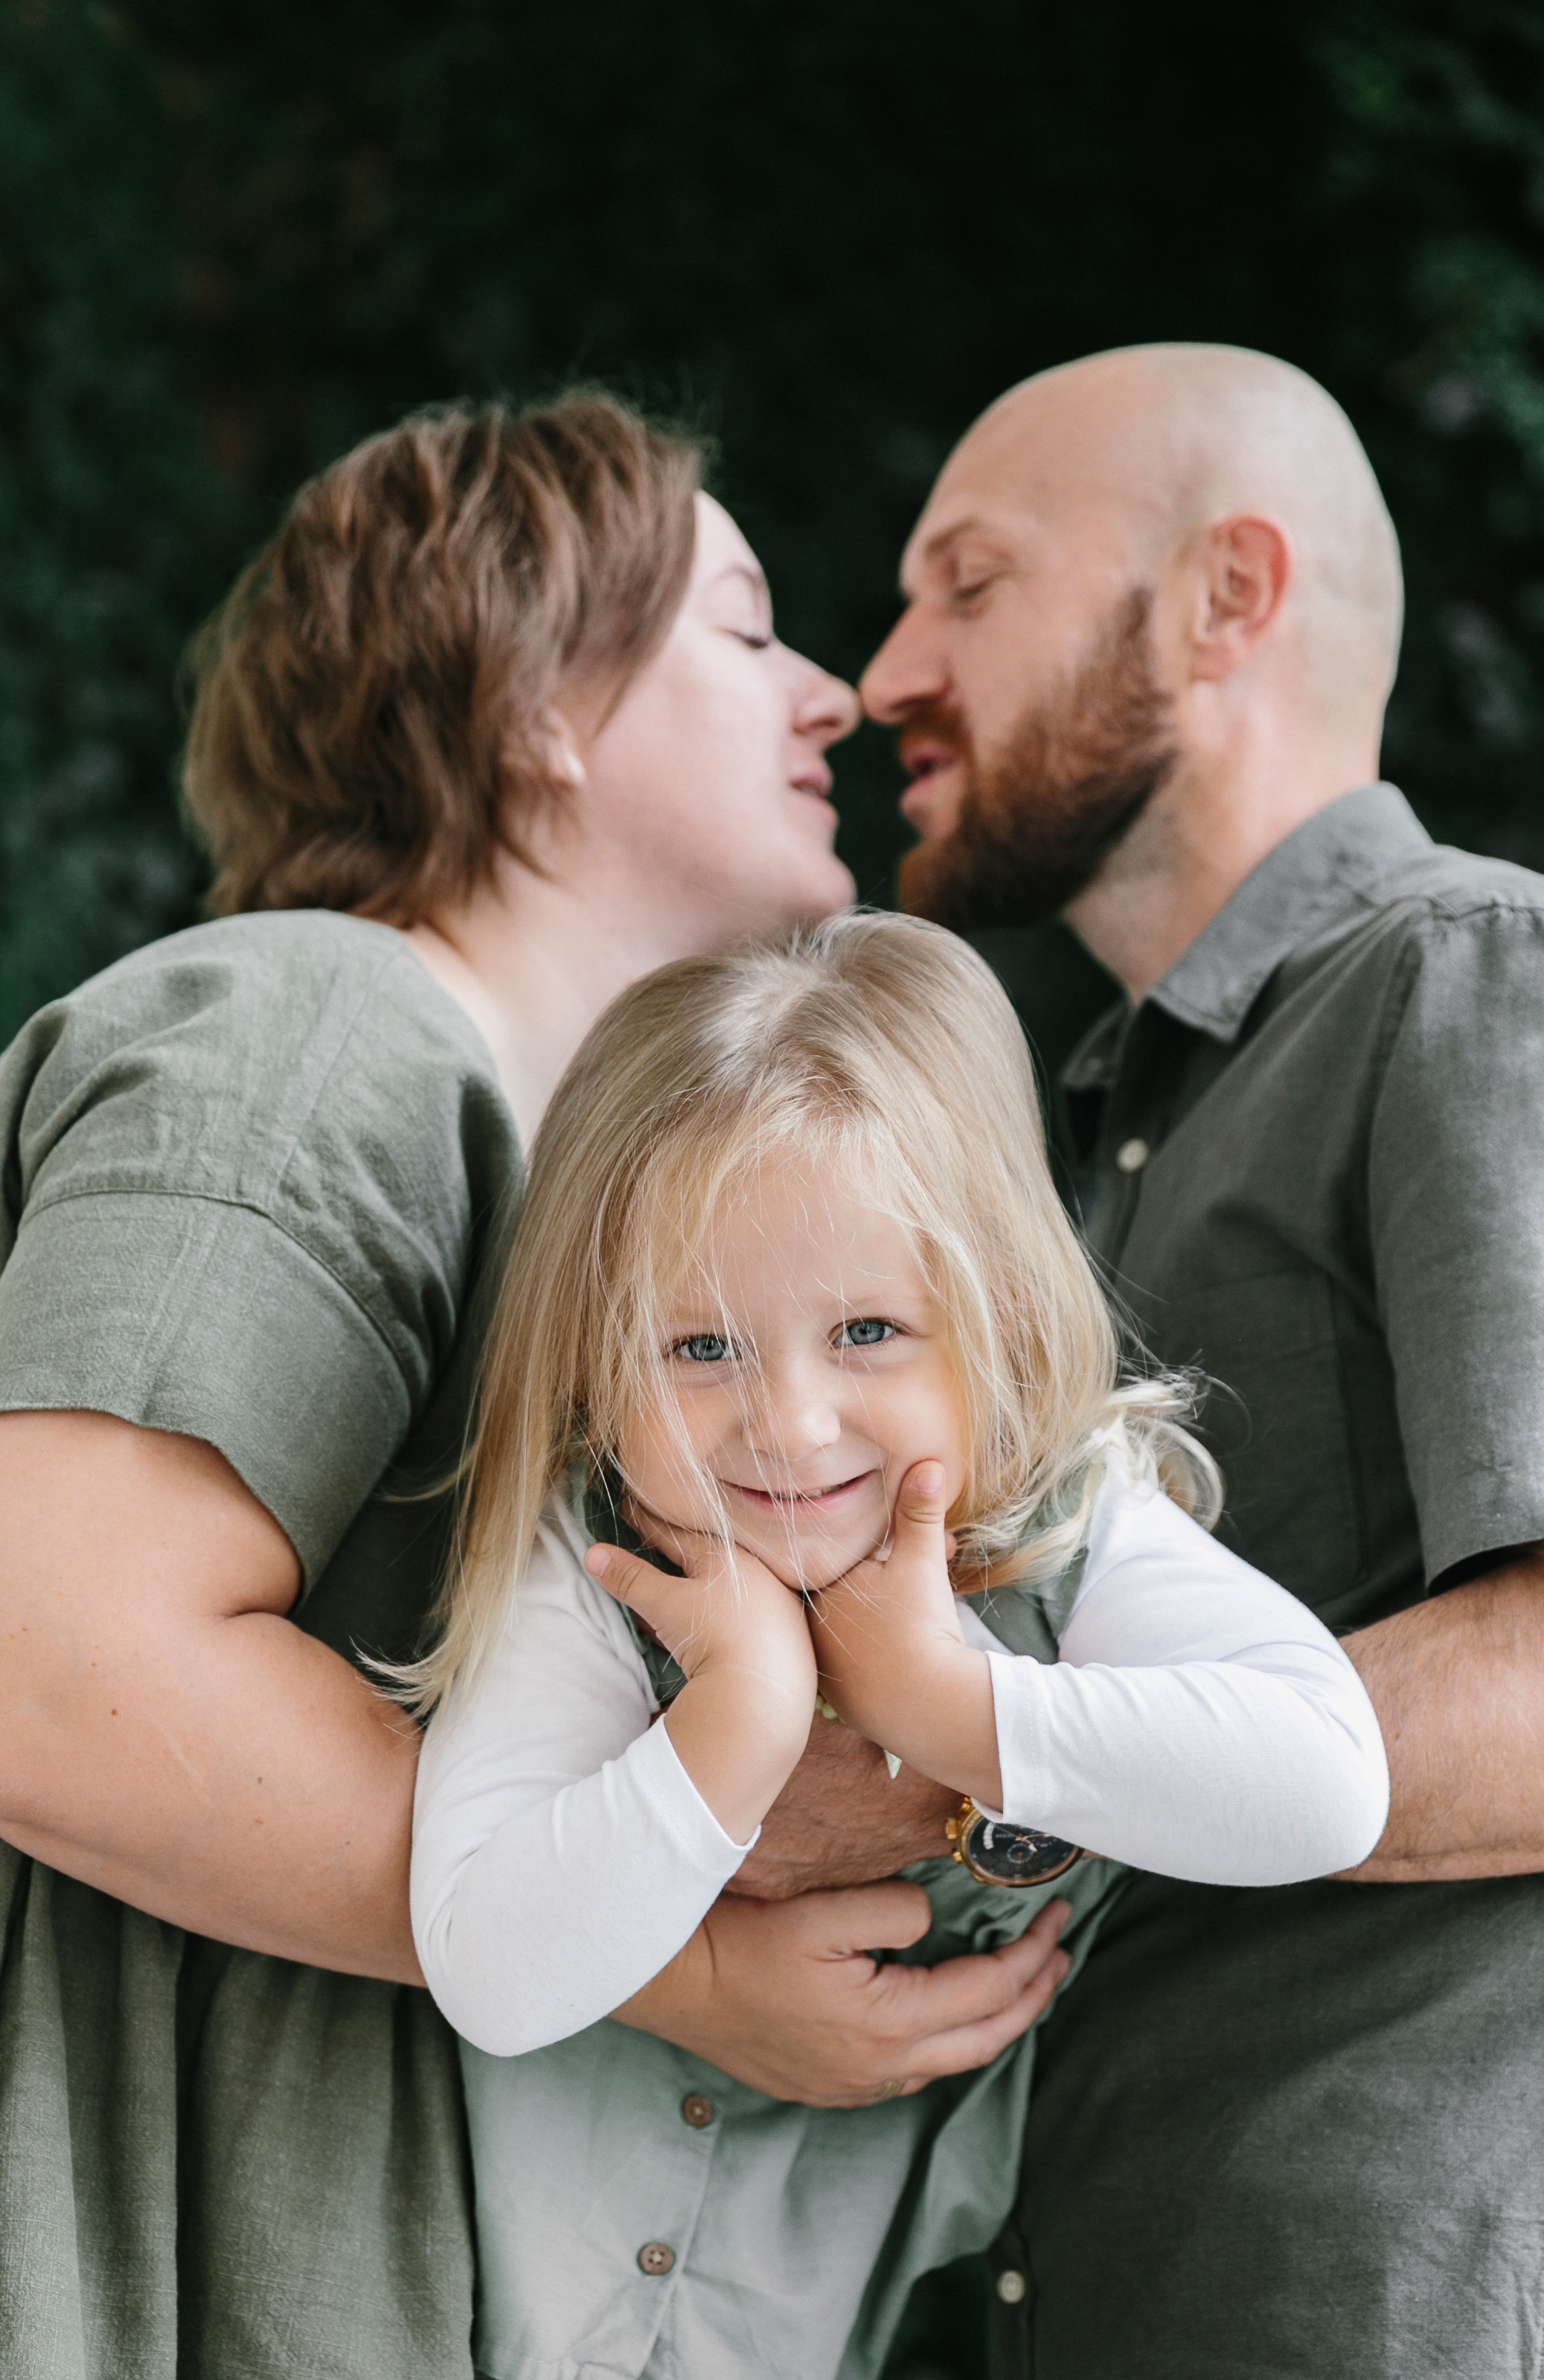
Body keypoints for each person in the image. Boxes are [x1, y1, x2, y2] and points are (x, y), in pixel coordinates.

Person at [0, 391, 1048, 2380]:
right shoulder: (325, 1028)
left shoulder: (559, 1171)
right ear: (539, 701)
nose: (829, 693)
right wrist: (676, 1952)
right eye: (744, 628)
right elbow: (49, 1662)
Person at [861, 340, 1544, 2377]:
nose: (887, 670)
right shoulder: (1082, 1139)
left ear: (1224, 598)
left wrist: (971, 1779)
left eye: (967, 584)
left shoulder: (1477, 979)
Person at [402, 908, 1387, 2380]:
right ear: (595, 1362)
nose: (793, 1425)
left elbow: (1328, 1783)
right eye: (701, 1347)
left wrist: (939, 1695)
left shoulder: (1066, 1516)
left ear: (996, 1317)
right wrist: (740, 1714)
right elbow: (491, 1967)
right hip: (548, 2323)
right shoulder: (593, 1558)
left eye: (867, 1331)